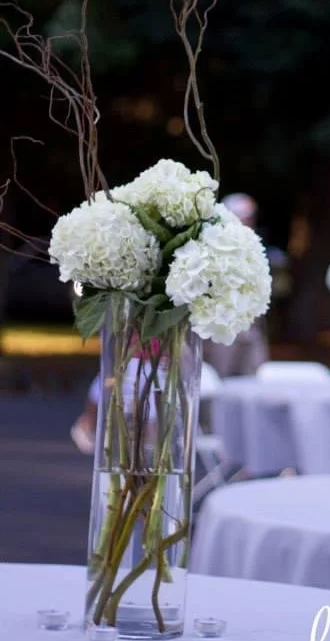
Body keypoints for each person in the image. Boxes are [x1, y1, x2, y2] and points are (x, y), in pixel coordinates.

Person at [70, 192, 269, 453]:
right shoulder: (140, 272)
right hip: (142, 346)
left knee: (159, 399)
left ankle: (153, 448)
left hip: (179, 341)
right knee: (121, 386)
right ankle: (119, 438)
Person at [202, 193, 269, 377]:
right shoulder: (212, 248)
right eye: (245, 217)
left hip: (251, 334)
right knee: (219, 383)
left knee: (251, 385)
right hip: (221, 337)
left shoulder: (255, 248)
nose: (249, 222)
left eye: (250, 217)